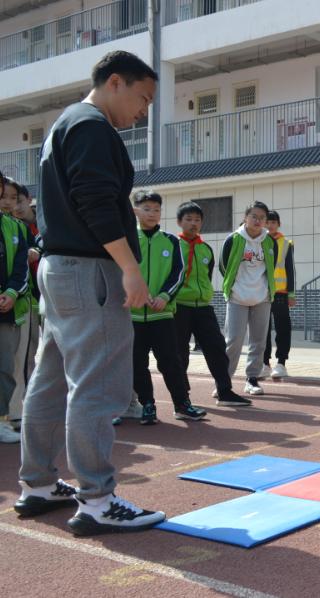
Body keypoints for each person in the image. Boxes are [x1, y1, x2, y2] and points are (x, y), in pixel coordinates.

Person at [15, 50, 165, 534]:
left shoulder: (64, 124)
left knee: (52, 379)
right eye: (143, 98)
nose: (143, 112)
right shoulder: (92, 127)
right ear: (115, 82)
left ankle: (37, 484)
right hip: (89, 269)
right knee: (98, 387)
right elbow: (96, 199)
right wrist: (130, 268)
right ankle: (97, 499)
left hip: (58, 268)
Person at [130, 191, 207, 425]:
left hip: (162, 314)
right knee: (137, 363)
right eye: (146, 209)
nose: (152, 214)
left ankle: (182, 404)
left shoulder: (171, 241)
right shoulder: (128, 240)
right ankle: (148, 405)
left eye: (156, 209)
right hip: (133, 314)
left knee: (170, 361)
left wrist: (164, 296)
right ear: (136, 211)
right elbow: (119, 272)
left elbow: (179, 273)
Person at [173, 201, 251, 407]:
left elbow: (207, 276)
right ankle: (183, 397)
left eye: (197, 220)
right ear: (179, 222)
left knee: (216, 348)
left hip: (203, 307)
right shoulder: (172, 246)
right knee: (179, 352)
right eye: (188, 219)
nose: (193, 224)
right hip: (178, 306)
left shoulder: (206, 249)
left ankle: (225, 391)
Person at [220, 201, 276, 396]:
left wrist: (267, 290)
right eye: (254, 216)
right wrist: (234, 287)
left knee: (259, 341)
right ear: (245, 218)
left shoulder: (269, 241)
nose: (258, 220)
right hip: (237, 297)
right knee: (233, 340)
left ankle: (252, 379)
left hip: (262, 297)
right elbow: (223, 266)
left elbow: (271, 266)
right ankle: (224, 381)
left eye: (262, 218)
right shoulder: (233, 239)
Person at [7, 182, 41, 431]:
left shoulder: (27, 226)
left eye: (15, 198)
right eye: (5, 197)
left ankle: (21, 411)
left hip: (28, 301)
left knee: (25, 359)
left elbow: (38, 247)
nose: (11, 204)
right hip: (16, 301)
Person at [0, 173, 30, 444]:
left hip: (8, 310)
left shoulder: (17, 228)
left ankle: (2, 420)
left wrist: (10, 292)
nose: (7, 200)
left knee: (5, 367)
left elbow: (22, 268)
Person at [260, 209, 295, 381]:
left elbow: (290, 269)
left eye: (273, 222)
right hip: (262, 292)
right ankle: (264, 363)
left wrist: (291, 293)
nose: (270, 225)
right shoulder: (259, 241)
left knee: (282, 328)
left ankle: (281, 362)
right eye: (267, 222)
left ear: (278, 224)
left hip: (280, 293)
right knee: (263, 330)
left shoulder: (286, 243)